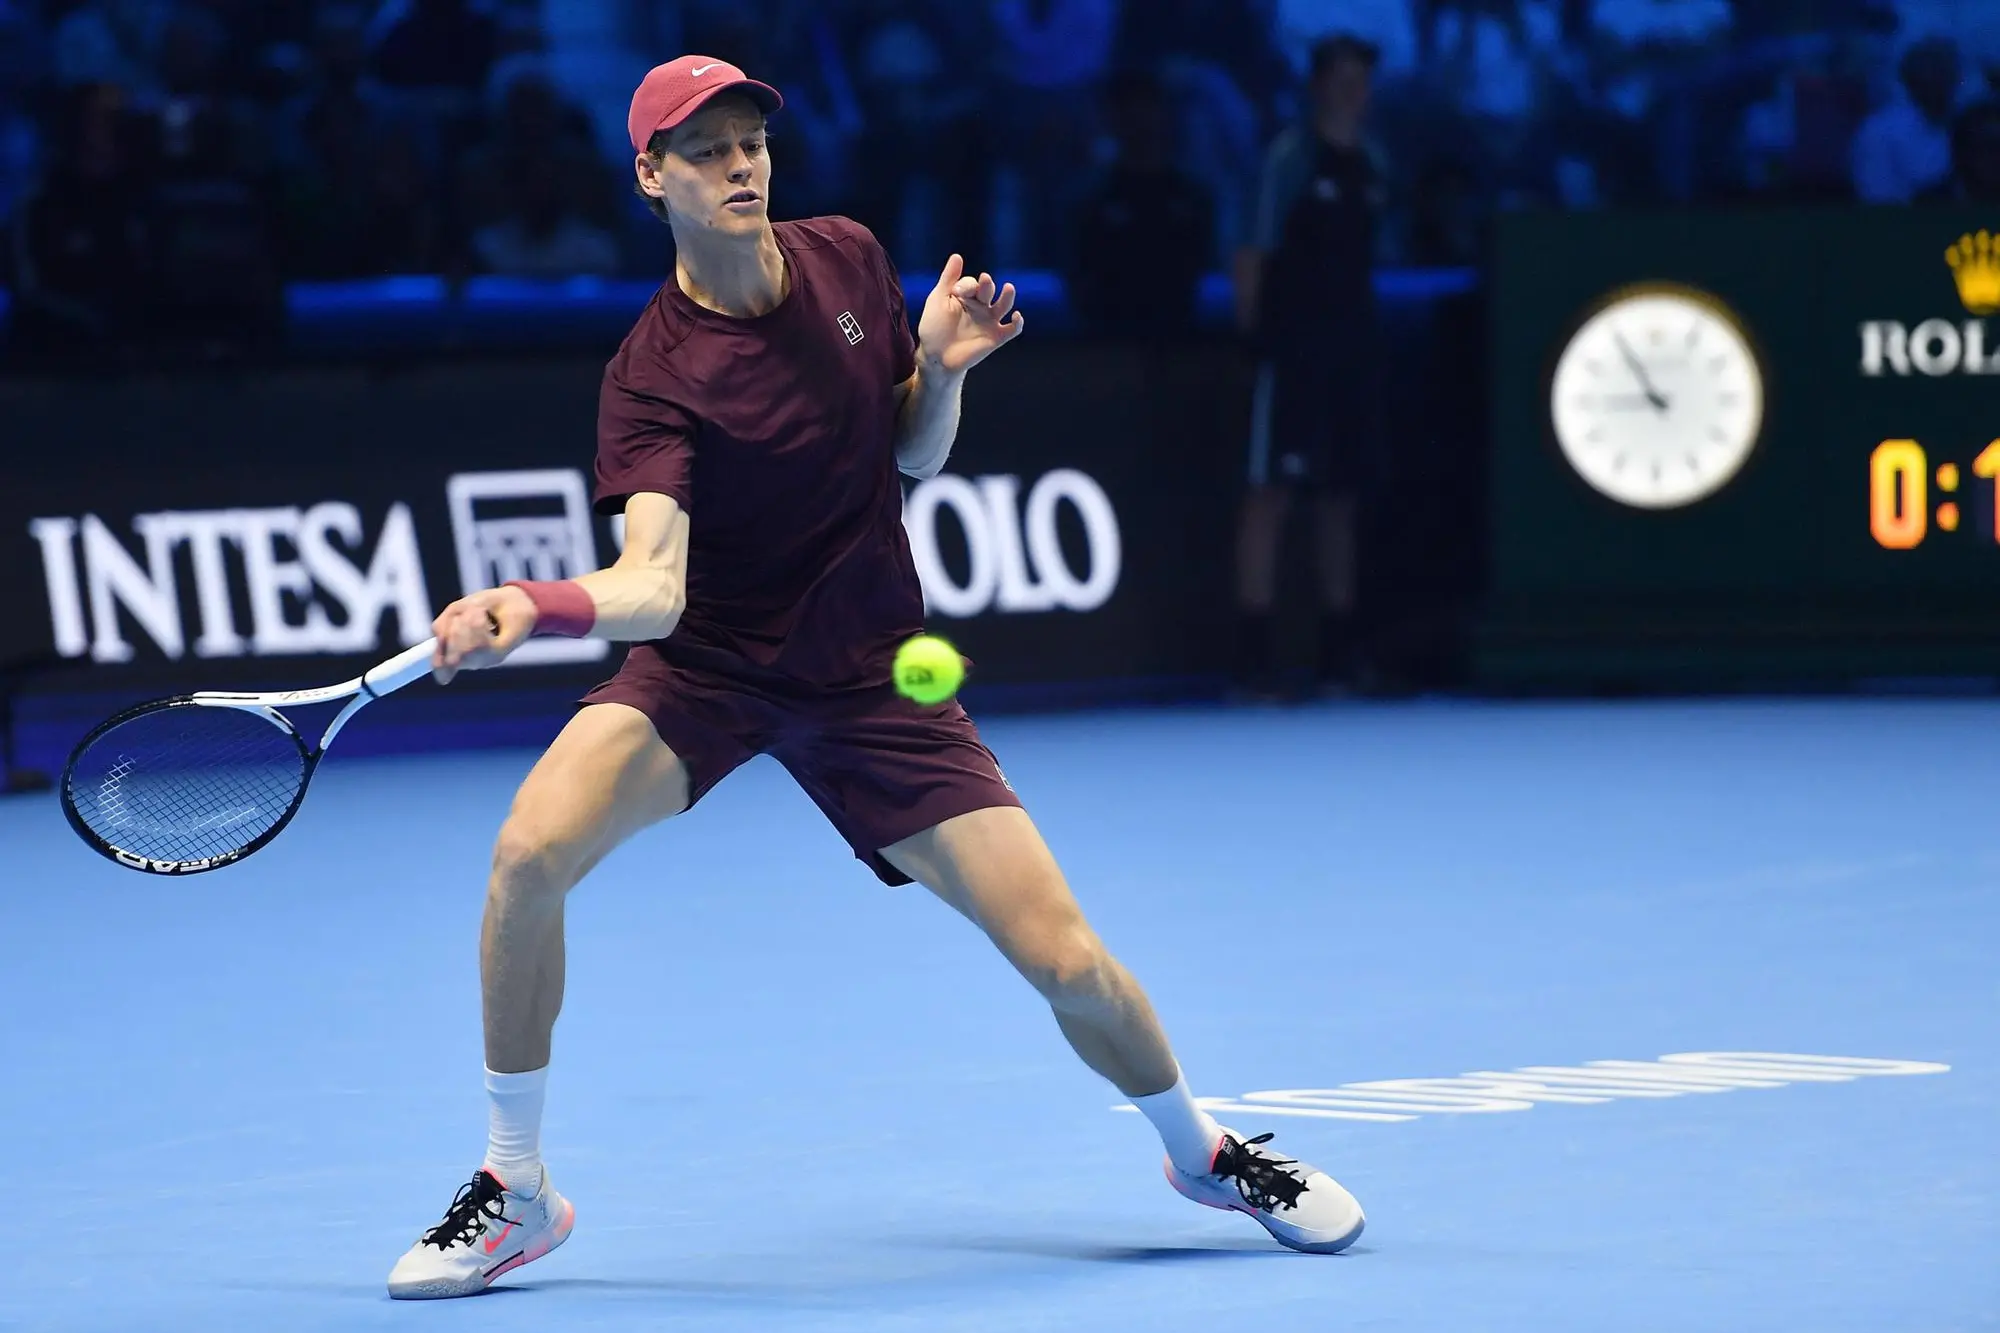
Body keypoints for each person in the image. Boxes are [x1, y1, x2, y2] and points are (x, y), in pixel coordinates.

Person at [384, 54, 1365, 1300]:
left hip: (863, 677)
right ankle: (515, 1186)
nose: (740, 165)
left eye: (751, 141)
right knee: (527, 854)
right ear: (649, 178)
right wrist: (541, 601)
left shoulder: (846, 257)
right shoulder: (651, 375)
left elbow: (907, 453)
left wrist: (941, 370)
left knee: (1066, 960)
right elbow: (653, 587)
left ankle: (1201, 1152)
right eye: (705, 150)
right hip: (708, 669)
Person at [1233, 33, 1388, 694]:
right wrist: (1255, 337)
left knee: (1340, 498)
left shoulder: (1376, 165)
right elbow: (1252, 253)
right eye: (1343, 77)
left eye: (1362, 78)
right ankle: (1257, 657)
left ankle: (1339, 651)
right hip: (1291, 352)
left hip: (1352, 353)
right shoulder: (1289, 160)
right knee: (1271, 493)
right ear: (1318, 84)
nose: (1354, 89)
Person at [1069, 69, 1215, 336]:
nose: (1141, 123)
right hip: (1103, 341)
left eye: (1148, 110)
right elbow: (1076, 276)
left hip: (1182, 339)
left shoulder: (1194, 198)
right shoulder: (1091, 200)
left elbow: (1205, 268)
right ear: (1114, 119)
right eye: (1130, 112)